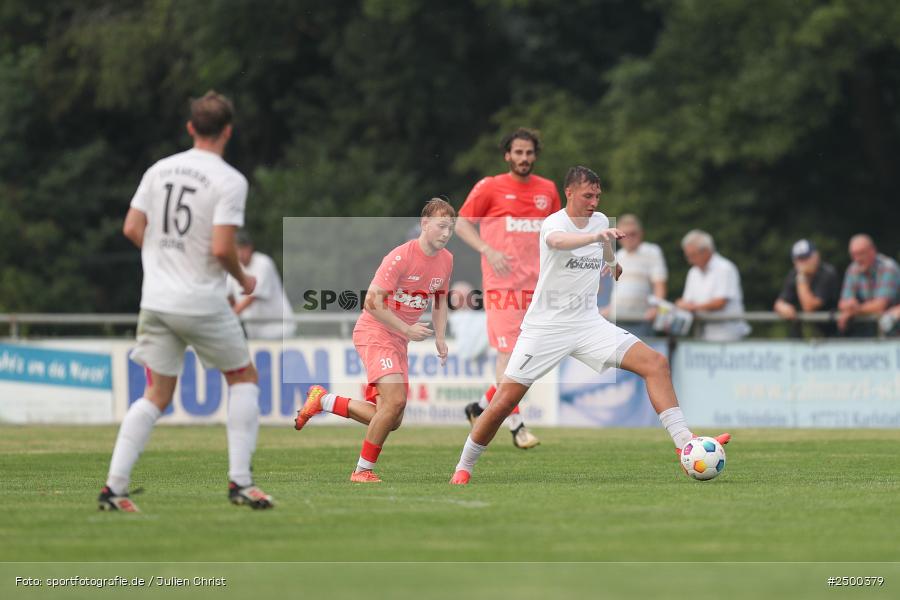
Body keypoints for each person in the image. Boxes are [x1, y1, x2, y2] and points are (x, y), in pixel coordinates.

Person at [449, 166, 730, 485]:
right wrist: (598, 237)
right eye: (588, 195)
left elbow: (604, 245)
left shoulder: (599, 221)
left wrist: (613, 262)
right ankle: (464, 466)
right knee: (504, 401)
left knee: (656, 363)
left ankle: (686, 446)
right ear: (568, 192)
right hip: (547, 327)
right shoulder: (554, 223)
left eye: (597, 195)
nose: (594, 201)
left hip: (588, 323)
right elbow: (559, 242)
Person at [98, 91, 273, 512]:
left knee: (156, 393)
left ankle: (114, 488)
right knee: (243, 378)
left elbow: (131, 226)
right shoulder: (230, 180)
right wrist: (243, 277)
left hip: (156, 299)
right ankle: (241, 483)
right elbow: (219, 248)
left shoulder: (159, 169)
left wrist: (161, 257)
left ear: (191, 127)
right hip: (200, 300)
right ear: (228, 131)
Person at [293, 198, 455, 483]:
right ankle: (362, 471)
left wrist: (440, 337)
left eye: (450, 228)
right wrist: (406, 329)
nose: (446, 233)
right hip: (376, 331)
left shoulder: (446, 260)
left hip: (397, 339)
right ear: (425, 224)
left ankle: (324, 400)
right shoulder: (400, 257)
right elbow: (371, 302)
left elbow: (440, 299)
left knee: (392, 418)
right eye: (441, 226)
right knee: (394, 403)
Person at [454, 127, 561, 449]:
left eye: (529, 153)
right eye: (518, 152)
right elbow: (461, 223)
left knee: (527, 360)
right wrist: (488, 249)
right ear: (507, 155)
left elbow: (557, 233)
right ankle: (517, 427)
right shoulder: (490, 187)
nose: (524, 158)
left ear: (535, 155)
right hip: (502, 288)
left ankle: (479, 408)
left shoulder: (548, 190)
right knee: (508, 356)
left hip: (538, 288)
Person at [676, 230, 750, 341]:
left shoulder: (725, 268)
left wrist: (692, 307)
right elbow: (688, 302)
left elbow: (720, 303)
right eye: (688, 256)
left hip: (727, 334)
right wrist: (681, 305)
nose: (690, 261)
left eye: (692, 255)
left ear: (706, 251)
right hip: (701, 333)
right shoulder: (693, 272)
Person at [603, 213, 667, 337]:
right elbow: (615, 289)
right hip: (618, 319)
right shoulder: (617, 256)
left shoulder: (652, 251)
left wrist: (656, 307)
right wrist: (609, 308)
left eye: (633, 234)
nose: (629, 238)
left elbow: (659, 284)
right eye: (624, 235)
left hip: (642, 319)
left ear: (641, 233)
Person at [226, 229, 297, 339]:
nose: (239, 254)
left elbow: (252, 297)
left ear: (250, 248)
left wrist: (228, 317)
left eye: (242, 248)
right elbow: (229, 298)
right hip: (256, 334)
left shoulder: (263, 263)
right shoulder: (234, 269)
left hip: (280, 330)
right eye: (236, 249)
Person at [773, 239, 840, 337]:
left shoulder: (827, 274)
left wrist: (802, 278)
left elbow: (809, 307)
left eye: (806, 258)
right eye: (799, 259)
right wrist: (784, 307)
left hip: (830, 336)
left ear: (816, 256)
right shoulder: (793, 274)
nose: (802, 263)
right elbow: (779, 303)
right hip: (802, 337)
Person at [837, 234, 900, 336]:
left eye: (861, 253)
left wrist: (855, 310)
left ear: (872, 251)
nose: (857, 259)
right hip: (870, 332)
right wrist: (850, 306)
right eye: (854, 255)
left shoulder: (888, 268)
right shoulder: (852, 269)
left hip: (895, 332)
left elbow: (880, 305)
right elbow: (842, 303)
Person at [447, 281, 489, 362]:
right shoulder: (442, 322)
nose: (464, 302)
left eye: (467, 297)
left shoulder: (484, 318)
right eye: (459, 298)